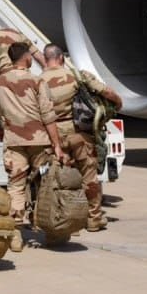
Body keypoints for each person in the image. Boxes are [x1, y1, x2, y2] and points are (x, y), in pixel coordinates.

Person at [39, 45, 122, 233]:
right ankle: (93, 218)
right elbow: (106, 92)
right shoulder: (76, 76)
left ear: (45, 59)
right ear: (61, 58)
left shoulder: (38, 81)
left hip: (53, 136)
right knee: (89, 176)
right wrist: (118, 102)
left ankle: (66, 217)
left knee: (58, 179)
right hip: (78, 133)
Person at [0, 44, 69, 247]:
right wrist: (57, 145)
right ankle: (50, 230)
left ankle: (16, 235)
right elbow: (47, 115)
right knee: (45, 185)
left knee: (16, 186)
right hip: (40, 142)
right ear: (26, 58)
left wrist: (2, 134)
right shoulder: (37, 81)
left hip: (14, 142)